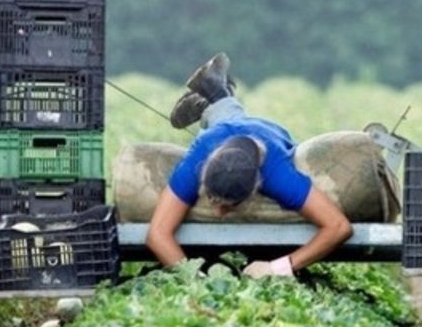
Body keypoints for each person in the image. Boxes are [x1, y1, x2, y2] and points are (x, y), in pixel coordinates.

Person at [146, 53, 352, 277]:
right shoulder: (199, 156)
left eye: (229, 206)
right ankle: (215, 95)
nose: (218, 212)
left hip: (270, 132)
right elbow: (157, 234)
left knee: (232, 119)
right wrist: (195, 280)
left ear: (257, 186)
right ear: (203, 173)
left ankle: (215, 96)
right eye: (212, 198)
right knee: (227, 120)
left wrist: (277, 268)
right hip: (222, 130)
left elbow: (339, 227)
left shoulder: (277, 173)